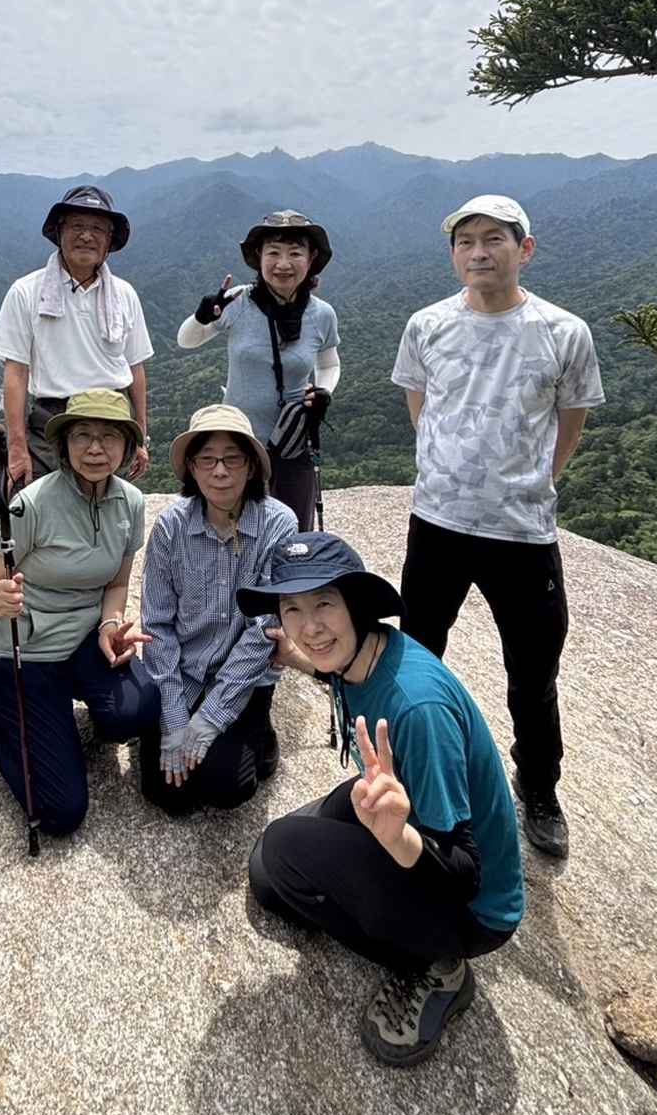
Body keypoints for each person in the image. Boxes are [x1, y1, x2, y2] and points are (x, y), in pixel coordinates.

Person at [242, 534, 524, 1068]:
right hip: (416, 823)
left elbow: (465, 872)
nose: (309, 625)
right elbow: (332, 665)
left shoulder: (416, 708)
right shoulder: (369, 654)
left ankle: (438, 967)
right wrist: (297, 659)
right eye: (292, 608)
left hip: (472, 907)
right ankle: (392, 900)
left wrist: (398, 837)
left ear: (357, 605)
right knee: (276, 868)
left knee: (279, 854)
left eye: (324, 602)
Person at [391, 194, 604, 858]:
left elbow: (572, 415)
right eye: (465, 242)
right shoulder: (427, 324)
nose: (478, 253)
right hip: (438, 521)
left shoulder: (563, 331)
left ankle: (537, 786)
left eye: (494, 240)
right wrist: (442, 459)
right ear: (453, 253)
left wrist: (542, 476)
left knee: (533, 669)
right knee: (419, 656)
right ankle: (411, 767)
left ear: (525, 248)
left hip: (522, 532)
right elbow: (417, 399)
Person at [0, 186, 153, 692]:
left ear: (111, 240)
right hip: (50, 420)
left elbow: (135, 370)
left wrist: (140, 434)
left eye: (99, 229)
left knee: (97, 520)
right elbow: (16, 374)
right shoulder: (28, 291)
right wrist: (15, 447)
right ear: (57, 232)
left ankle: (89, 624)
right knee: (4, 514)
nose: (87, 235)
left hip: (109, 418)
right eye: (76, 225)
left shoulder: (125, 297)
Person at [0, 389, 159, 837]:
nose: (95, 448)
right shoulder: (30, 504)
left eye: (109, 437)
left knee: (138, 711)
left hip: (85, 640)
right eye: (83, 436)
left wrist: (110, 625)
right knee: (59, 812)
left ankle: (47, 715)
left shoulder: (130, 503)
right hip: (26, 652)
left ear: (127, 447)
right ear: (65, 444)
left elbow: (116, 582)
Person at [138, 405, 297, 815]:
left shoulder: (279, 525)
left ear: (251, 467)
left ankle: (259, 731)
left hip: (246, 679)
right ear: (192, 467)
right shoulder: (172, 527)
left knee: (228, 789)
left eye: (232, 458)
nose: (219, 471)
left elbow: (264, 626)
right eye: (206, 459)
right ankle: (210, 729)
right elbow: (156, 624)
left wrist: (208, 719)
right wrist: (174, 716)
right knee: (167, 794)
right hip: (185, 671)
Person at [177, 210, 340, 528]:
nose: (283, 264)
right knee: (235, 526)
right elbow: (187, 341)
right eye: (273, 252)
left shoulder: (322, 314)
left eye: (295, 253)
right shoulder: (237, 301)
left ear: (312, 259)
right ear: (258, 257)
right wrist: (203, 316)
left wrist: (324, 391)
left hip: (294, 438)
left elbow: (329, 363)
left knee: (293, 527)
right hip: (239, 438)